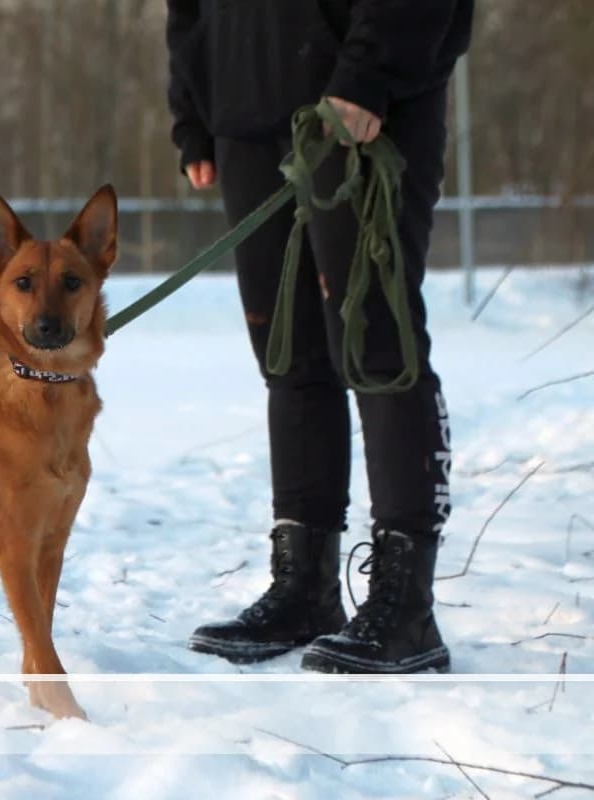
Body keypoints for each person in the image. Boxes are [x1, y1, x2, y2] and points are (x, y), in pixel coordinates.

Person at [165, 0, 473, 673]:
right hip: (245, 110)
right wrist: (193, 106)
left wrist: (370, 71)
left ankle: (407, 609)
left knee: (377, 346)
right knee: (289, 356)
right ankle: (304, 587)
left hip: (363, 103)